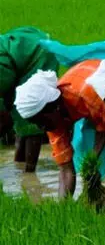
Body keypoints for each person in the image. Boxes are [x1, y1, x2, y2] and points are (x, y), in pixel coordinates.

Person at [14, 58, 105, 203]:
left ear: (54, 106)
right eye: (36, 123)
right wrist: (63, 208)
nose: (41, 128)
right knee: (82, 149)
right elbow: (66, 170)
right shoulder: (52, 124)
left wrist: (93, 160)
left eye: (41, 121)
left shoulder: (86, 94)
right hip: (86, 106)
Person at [0, 27, 59, 172]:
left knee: (31, 113)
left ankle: (29, 172)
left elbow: (3, 115)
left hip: (38, 55)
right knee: (18, 114)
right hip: (22, 50)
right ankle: (19, 163)